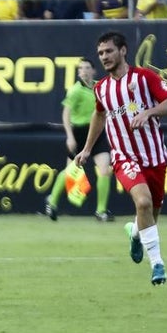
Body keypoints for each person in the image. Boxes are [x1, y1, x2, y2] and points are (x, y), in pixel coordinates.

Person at [75, 32, 167, 286]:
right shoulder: (102, 88)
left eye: (109, 51)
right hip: (124, 157)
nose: (104, 57)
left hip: (154, 156)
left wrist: (150, 112)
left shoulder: (144, 78)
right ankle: (157, 264)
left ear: (123, 51)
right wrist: (87, 149)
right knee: (143, 202)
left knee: (150, 214)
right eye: (100, 53)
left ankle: (134, 232)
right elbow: (99, 116)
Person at [42, 59, 114, 222]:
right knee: (71, 173)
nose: (84, 71)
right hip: (79, 133)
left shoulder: (100, 87)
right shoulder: (75, 90)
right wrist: (70, 136)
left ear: (94, 71)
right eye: (81, 68)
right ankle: (52, 201)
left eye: (87, 68)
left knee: (104, 169)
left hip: (97, 132)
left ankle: (101, 211)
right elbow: (66, 114)